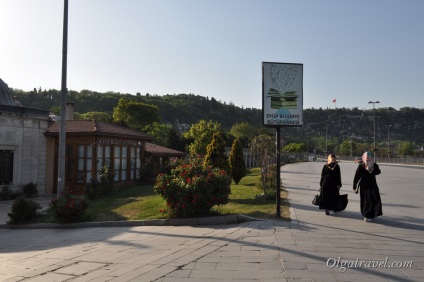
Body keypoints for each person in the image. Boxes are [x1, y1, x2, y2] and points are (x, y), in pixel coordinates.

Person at [353, 151, 383, 222]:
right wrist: (354, 185)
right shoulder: (361, 166)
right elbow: (357, 176)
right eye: (366, 157)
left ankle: (372, 214)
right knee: (367, 200)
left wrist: (374, 164)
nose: (367, 159)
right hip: (365, 186)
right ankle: (367, 215)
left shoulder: (374, 165)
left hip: (372, 185)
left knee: (375, 199)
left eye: (369, 158)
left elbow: (378, 172)